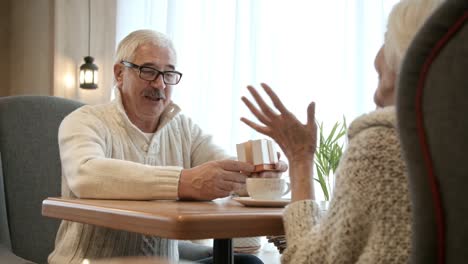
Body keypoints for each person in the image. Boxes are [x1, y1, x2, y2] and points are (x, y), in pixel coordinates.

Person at [48, 29, 285, 264]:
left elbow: (224, 170)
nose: (160, 84)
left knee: (249, 263)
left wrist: (259, 176)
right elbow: (86, 175)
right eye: (148, 71)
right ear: (120, 73)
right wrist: (184, 182)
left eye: (169, 74)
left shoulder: (184, 128)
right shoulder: (84, 120)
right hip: (91, 262)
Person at [240, 0, 444, 263]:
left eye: (380, 77)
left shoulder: (382, 144)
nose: (375, 96)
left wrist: (300, 159)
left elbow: (310, 261)